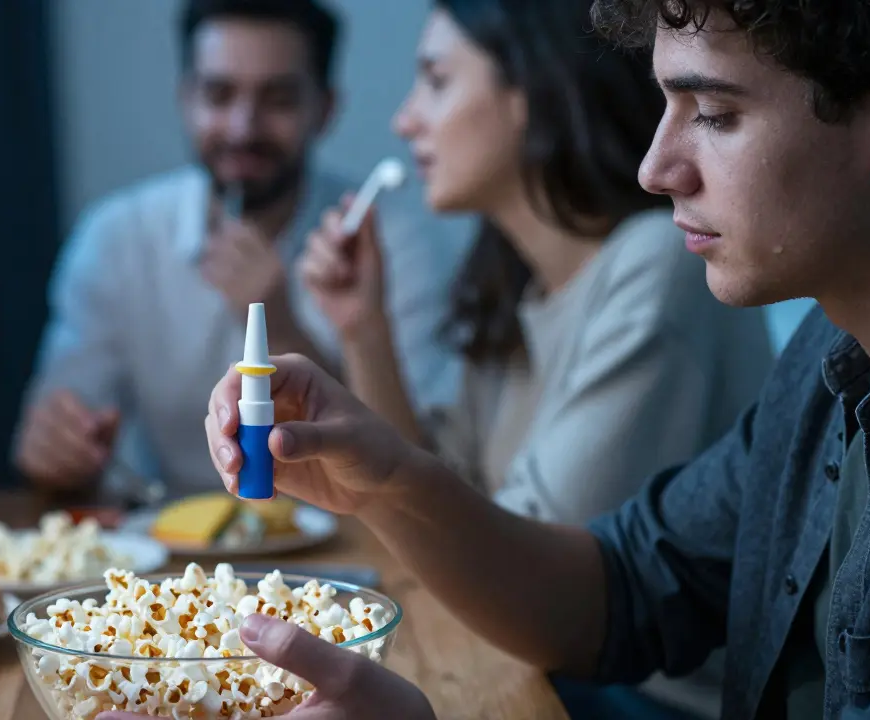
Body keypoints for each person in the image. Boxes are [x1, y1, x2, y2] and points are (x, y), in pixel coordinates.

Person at [195, 0, 870, 717]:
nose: (656, 169)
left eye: (715, 114)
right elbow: (620, 591)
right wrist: (388, 482)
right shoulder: (830, 355)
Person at [303, 2, 772, 716]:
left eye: (436, 81)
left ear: (529, 90)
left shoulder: (657, 269)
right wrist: (362, 327)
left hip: (644, 697)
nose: (405, 120)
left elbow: (522, 569)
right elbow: (433, 491)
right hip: (537, 660)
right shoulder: (516, 284)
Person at [15, 0, 469, 496]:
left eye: (278, 99)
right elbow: (56, 437)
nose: (243, 128)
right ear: (185, 99)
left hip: (350, 533)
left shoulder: (391, 243)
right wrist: (57, 450)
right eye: (219, 94)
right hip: (170, 535)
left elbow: (420, 464)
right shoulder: (116, 240)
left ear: (325, 109)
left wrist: (282, 325)